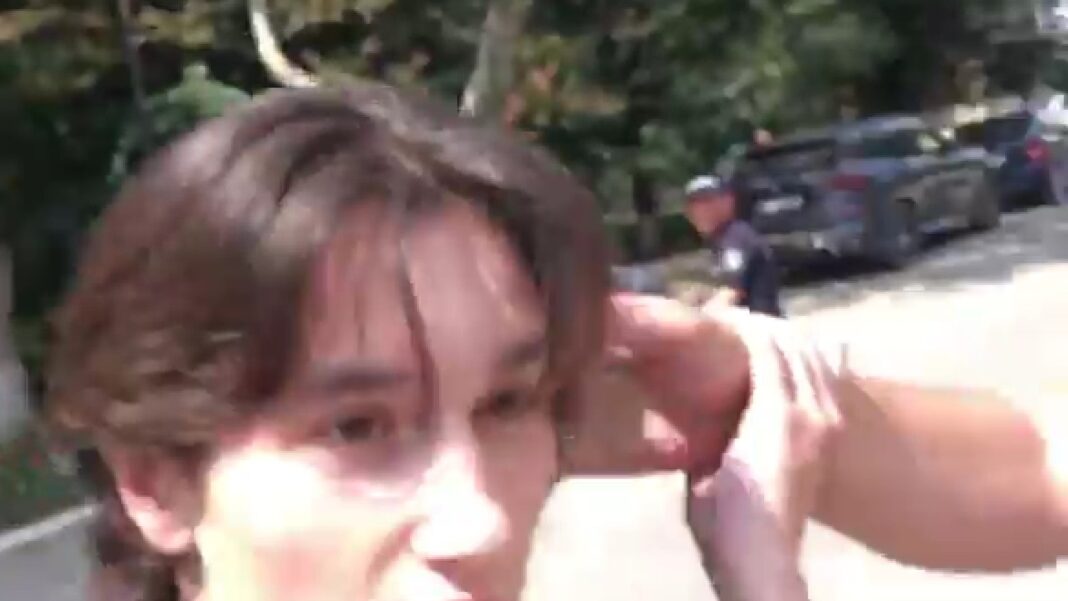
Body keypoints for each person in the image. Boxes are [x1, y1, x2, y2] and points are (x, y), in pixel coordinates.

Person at [683, 175, 784, 316]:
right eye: (695, 204)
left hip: (755, 325)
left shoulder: (736, 238)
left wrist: (697, 317)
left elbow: (731, 292)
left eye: (709, 201)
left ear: (729, 202)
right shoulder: (723, 239)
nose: (702, 210)